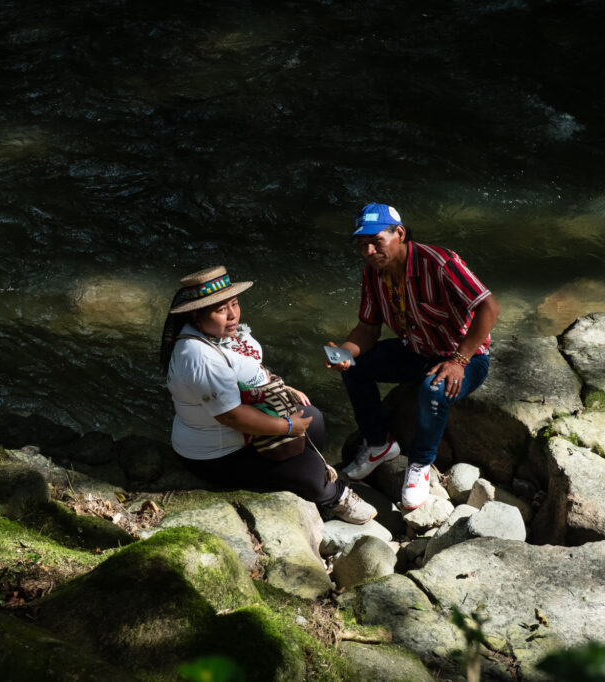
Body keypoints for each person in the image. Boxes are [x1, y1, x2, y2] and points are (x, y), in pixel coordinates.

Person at [160, 265, 376, 524]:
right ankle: (333, 497)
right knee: (307, 470)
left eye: (235, 304)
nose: (232, 316)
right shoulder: (199, 357)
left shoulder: (215, 335)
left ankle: (310, 473)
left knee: (313, 420)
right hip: (217, 454)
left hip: (244, 433)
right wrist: (285, 426)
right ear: (196, 316)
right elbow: (232, 416)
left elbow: (246, 368)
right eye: (220, 310)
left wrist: (283, 388)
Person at [326, 203, 500, 510]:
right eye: (362, 244)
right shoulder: (374, 274)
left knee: (433, 390)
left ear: (400, 234)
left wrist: (459, 361)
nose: (368, 251)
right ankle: (379, 445)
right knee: (353, 368)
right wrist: (345, 352)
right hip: (417, 350)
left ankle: (420, 464)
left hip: (465, 355)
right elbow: (368, 328)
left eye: (375, 241)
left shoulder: (441, 262)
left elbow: (489, 308)